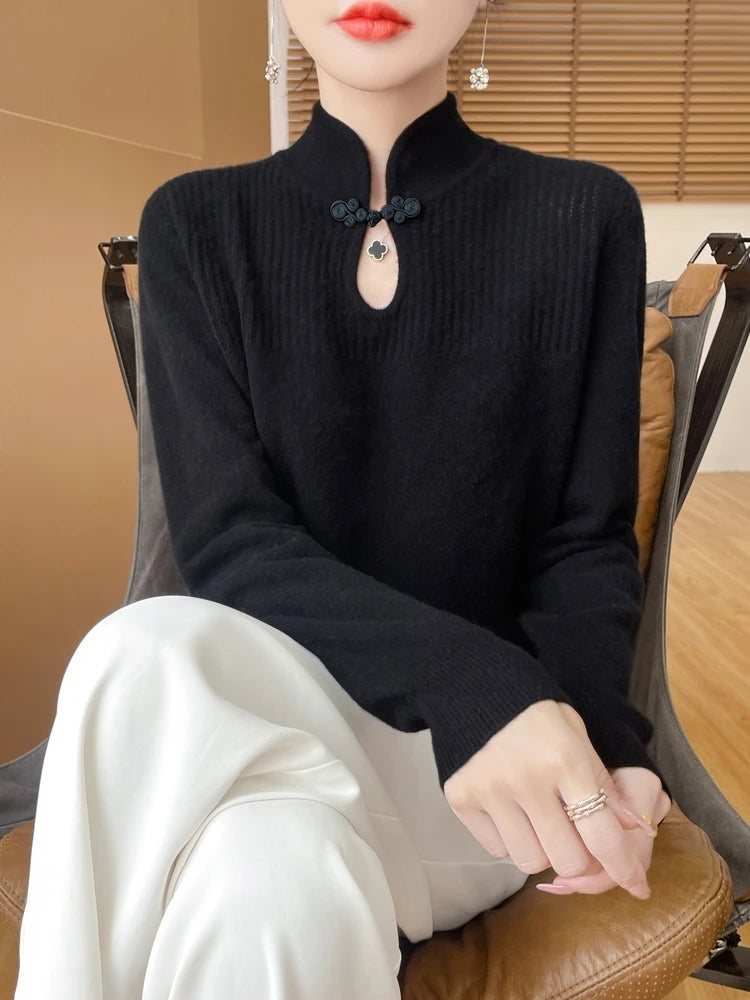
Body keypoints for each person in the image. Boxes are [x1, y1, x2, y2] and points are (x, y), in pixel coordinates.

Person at [15, 1, 672, 997]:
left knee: (131, 656)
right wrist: (481, 687)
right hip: (287, 731)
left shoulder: (584, 215)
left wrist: (604, 747)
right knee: (271, 881)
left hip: (476, 790)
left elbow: (583, 541)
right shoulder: (195, 223)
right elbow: (231, 543)